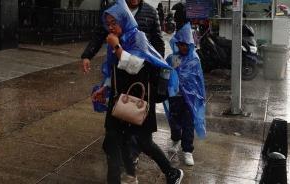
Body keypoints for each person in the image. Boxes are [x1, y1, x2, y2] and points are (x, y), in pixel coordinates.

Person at [91, 0, 184, 183]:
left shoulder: (137, 37)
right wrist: (105, 87)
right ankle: (126, 177)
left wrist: (117, 47)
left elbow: (135, 67)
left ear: (124, 20)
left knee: (144, 142)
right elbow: (114, 69)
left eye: (114, 23)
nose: (110, 27)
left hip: (139, 98)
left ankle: (172, 173)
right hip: (119, 99)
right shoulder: (115, 40)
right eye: (107, 23)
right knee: (113, 141)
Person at [164, 11, 207, 166]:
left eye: (185, 44)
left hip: (190, 99)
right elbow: (168, 75)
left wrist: (199, 96)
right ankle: (175, 140)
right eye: (180, 44)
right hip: (175, 97)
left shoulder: (195, 60)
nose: (182, 47)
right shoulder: (173, 58)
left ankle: (187, 150)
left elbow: (198, 80)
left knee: (188, 124)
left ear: (190, 45)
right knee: (174, 121)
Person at [80, 0, 165, 74]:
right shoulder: (112, 8)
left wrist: (158, 68)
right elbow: (99, 34)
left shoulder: (151, 12)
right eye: (110, 24)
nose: (110, 27)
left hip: (140, 67)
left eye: (114, 23)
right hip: (116, 66)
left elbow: (157, 41)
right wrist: (87, 55)